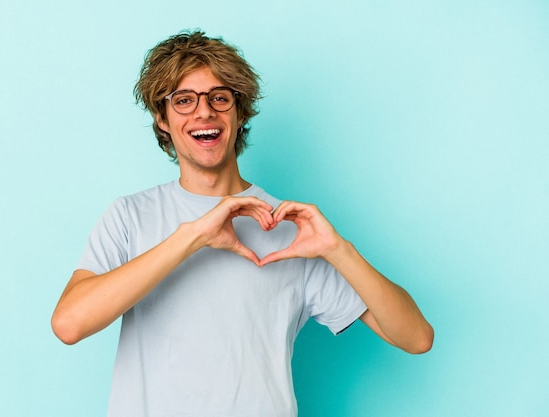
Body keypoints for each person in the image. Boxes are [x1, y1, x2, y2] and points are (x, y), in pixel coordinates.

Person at [51, 30, 433, 417]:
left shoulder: (290, 229)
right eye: (183, 100)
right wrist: (195, 234)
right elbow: (69, 323)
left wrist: (339, 250)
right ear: (161, 118)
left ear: (240, 111)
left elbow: (416, 337)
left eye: (219, 97)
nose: (204, 112)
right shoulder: (130, 216)